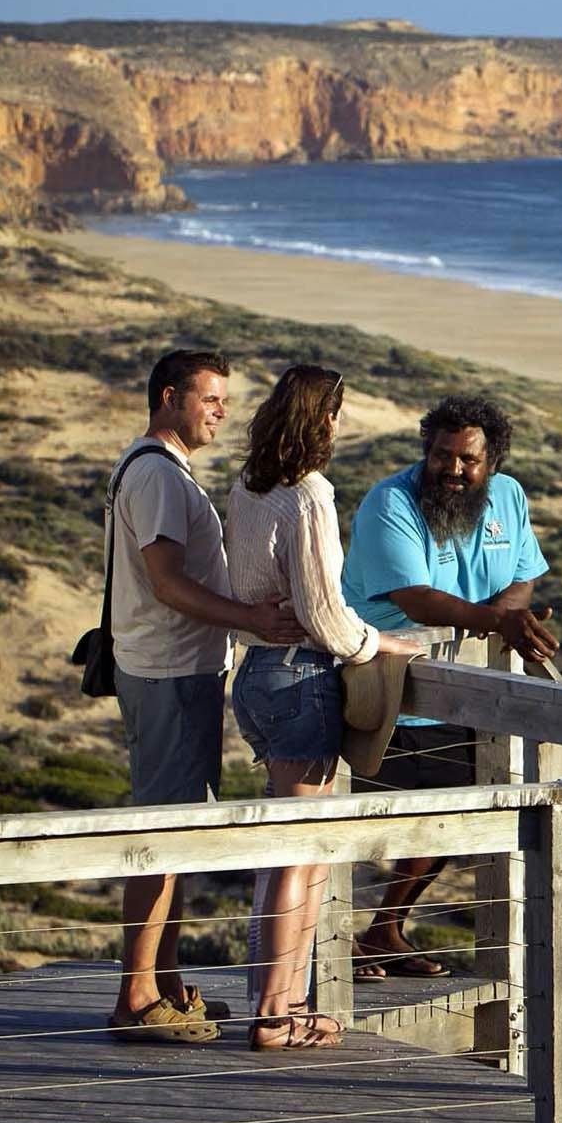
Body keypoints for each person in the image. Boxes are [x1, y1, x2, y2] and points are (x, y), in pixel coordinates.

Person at [225, 365, 425, 1050]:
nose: (339, 426)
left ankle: (278, 1004)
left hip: (255, 673)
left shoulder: (249, 487)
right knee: (300, 859)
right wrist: (379, 641)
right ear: (323, 418)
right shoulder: (309, 494)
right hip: (301, 677)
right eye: (336, 414)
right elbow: (323, 613)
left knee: (288, 854)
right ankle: (278, 1014)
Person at [107, 349, 302, 1044]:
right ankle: (134, 996)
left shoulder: (155, 467)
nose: (222, 412)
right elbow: (164, 582)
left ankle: (162, 982)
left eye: (224, 401)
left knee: (176, 831)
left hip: (172, 669)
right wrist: (249, 619)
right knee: (160, 833)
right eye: (210, 399)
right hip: (167, 672)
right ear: (169, 397)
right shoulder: (158, 477)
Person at [341, 392, 558, 976]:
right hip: (379, 687)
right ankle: (329, 954)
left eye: (468, 460)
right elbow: (414, 597)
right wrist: (497, 621)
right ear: (425, 450)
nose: (454, 470)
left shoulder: (508, 498)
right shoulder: (391, 501)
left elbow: (523, 577)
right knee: (358, 823)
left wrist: (507, 614)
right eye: (442, 456)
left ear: (493, 462)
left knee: (456, 807)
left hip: (462, 692)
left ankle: (384, 931)